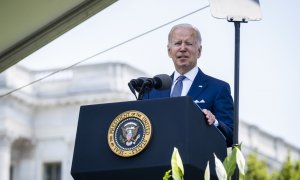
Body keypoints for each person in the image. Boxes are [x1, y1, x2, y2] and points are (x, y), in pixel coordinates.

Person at [143, 23, 234, 147]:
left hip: (197, 163)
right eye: (177, 43)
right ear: (169, 51)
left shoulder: (218, 88)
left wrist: (215, 122)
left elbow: (231, 137)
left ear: (199, 51)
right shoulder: (151, 91)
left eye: (189, 43)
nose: (183, 48)